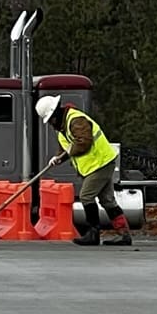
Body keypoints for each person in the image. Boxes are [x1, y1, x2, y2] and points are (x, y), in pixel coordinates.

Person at [37, 94, 130, 247]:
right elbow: (67, 146)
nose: (50, 124)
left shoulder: (75, 120)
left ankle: (93, 233)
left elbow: (83, 142)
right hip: (99, 164)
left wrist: (65, 154)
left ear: (55, 115)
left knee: (86, 196)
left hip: (100, 163)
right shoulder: (64, 126)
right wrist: (58, 157)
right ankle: (124, 234)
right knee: (107, 201)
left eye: (50, 120)